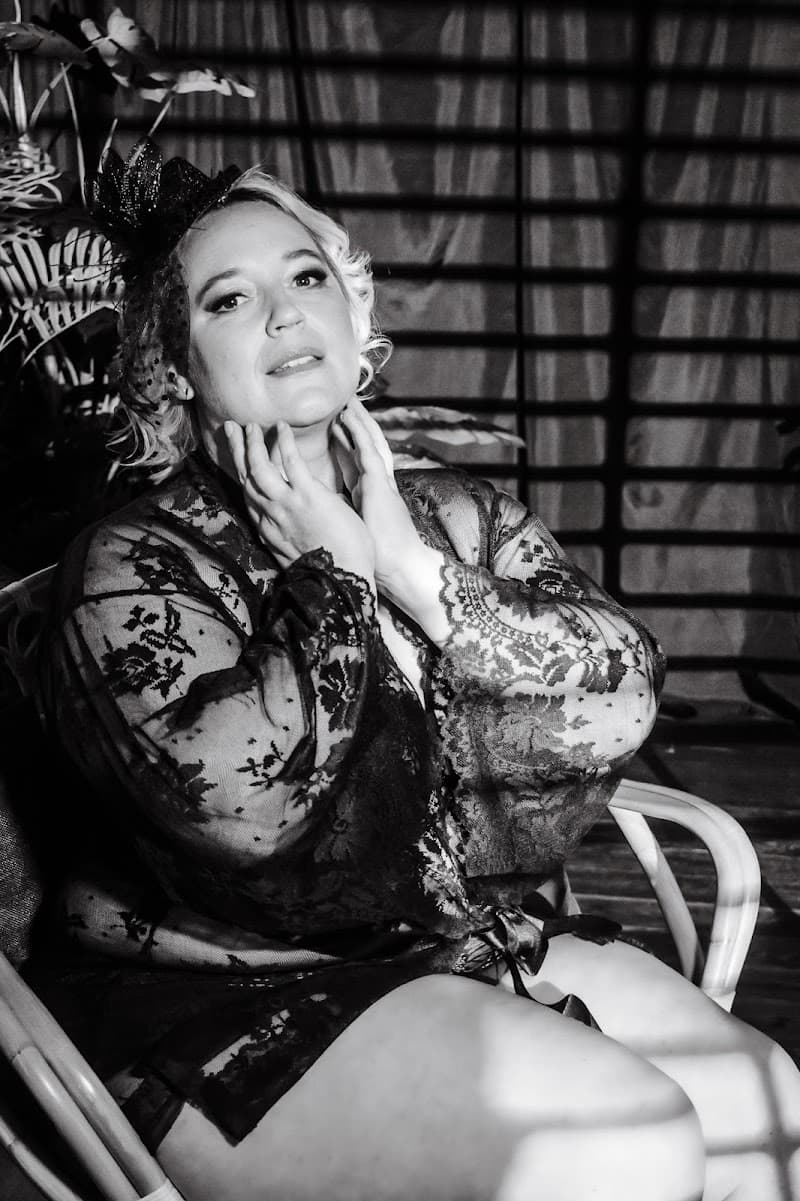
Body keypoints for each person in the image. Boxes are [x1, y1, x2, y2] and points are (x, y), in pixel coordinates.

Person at [32, 139, 800, 1201]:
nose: (284, 313)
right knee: (632, 1146)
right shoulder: (132, 561)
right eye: (229, 299)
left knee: (771, 1107)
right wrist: (333, 580)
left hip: (454, 944)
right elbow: (245, 815)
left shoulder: (457, 518)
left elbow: (619, 695)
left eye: (307, 278)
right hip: (225, 995)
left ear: (353, 316)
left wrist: (404, 563)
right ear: (174, 365)